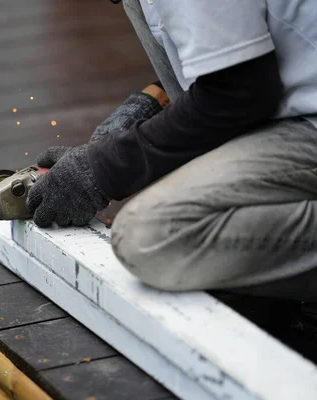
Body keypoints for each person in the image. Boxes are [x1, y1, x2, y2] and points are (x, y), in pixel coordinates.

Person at [25, 0, 317, 302]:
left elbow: (238, 93)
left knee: (151, 238)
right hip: (285, 111)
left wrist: (104, 166)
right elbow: (224, 53)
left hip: (302, 121)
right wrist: (149, 107)